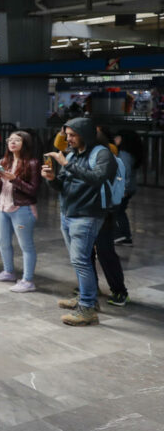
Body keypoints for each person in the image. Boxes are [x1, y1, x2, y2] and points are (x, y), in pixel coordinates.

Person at [42, 118, 116, 326]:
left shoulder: (102, 154)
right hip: (68, 212)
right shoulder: (73, 154)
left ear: (86, 134)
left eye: (73, 135)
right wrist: (51, 179)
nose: (68, 139)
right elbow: (63, 185)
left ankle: (87, 308)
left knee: (81, 260)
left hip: (88, 214)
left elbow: (98, 178)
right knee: (79, 260)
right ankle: (87, 298)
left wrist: (67, 164)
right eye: (67, 135)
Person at [0, 131, 42, 291]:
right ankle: (8, 271)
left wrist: (14, 179)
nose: (12, 143)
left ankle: (28, 281)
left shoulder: (32, 163)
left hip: (22, 208)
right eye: (10, 140)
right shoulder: (4, 161)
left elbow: (33, 190)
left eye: (17, 140)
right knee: (2, 240)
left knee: (26, 245)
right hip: (2, 207)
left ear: (25, 143)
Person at [89, 127, 129, 307]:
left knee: (105, 251)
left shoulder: (112, 160)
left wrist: (110, 208)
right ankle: (91, 286)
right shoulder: (84, 158)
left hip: (104, 211)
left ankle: (120, 290)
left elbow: (117, 190)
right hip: (86, 212)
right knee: (86, 251)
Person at [112, 129, 143, 246]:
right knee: (120, 211)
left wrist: (123, 189)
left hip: (124, 188)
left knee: (114, 211)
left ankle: (119, 235)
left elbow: (125, 172)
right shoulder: (130, 154)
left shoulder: (124, 154)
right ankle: (125, 236)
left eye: (117, 137)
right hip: (129, 188)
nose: (115, 140)